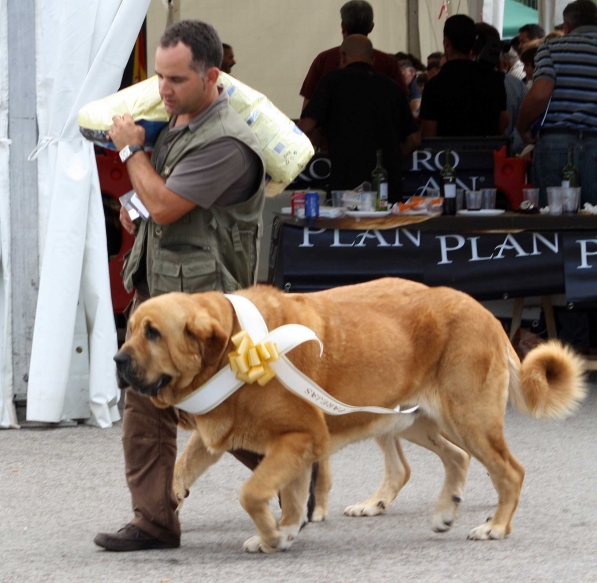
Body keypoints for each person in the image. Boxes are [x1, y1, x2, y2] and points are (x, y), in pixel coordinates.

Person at [93, 19, 266, 552]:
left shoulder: (228, 144)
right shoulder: (179, 129)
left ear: (211, 75)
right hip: (160, 303)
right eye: (159, 78)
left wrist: (129, 154)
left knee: (220, 410)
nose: (162, 90)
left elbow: (167, 206)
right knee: (146, 403)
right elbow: (157, 202)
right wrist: (133, 206)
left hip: (204, 313)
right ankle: (154, 521)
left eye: (175, 79)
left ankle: (291, 471)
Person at [298, 35, 420, 204]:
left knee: (346, 230)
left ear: (342, 56)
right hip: (387, 189)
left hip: (345, 189)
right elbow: (414, 140)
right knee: (386, 229)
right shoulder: (393, 87)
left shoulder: (331, 82)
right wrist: (390, 161)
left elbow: (306, 127)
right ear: (373, 60)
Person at [517, 0, 597, 207]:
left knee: (554, 221)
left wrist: (523, 127)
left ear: (567, 26)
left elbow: (540, 94)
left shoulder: (551, 47)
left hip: (556, 144)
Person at [299, 1, 406, 109]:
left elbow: (307, 109)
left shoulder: (323, 60)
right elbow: (403, 106)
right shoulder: (388, 63)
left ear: (343, 26)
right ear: (371, 27)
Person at [419, 14, 508, 138]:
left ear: (447, 43)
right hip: (487, 154)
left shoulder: (433, 86)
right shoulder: (495, 80)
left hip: (449, 156)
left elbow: (429, 137)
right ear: (473, 44)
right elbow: (503, 125)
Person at [474, 22, 528, 155]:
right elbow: (527, 125)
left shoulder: (456, 82)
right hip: (505, 164)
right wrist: (506, 150)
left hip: (461, 161)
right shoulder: (517, 85)